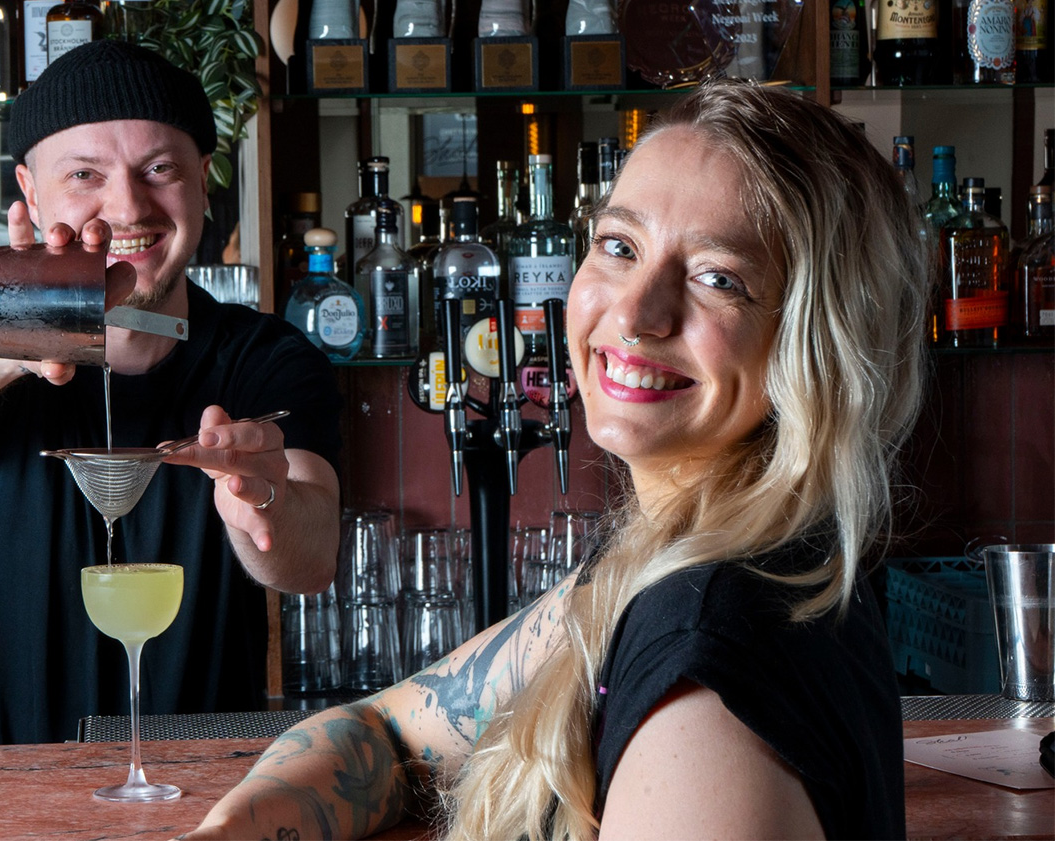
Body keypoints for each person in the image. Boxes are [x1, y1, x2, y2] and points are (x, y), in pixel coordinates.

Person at [180, 81, 928, 840]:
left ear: (822, 339)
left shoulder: (707, 684)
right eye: (620, 246)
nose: (635, 312)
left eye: (718, 278)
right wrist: (226, 831)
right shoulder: (691, 565)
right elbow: (386, 733)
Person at [0, 40, 343, 746]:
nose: (128, 205)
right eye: (85, 173)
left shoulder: (265, 358)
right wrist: (23, 321)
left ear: (202, 180)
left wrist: (261, 502)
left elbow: (310, 559)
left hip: (199, 783)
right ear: (31, 192)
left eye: (159, 169)